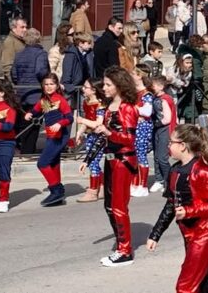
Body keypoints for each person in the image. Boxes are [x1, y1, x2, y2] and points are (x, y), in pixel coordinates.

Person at [147, 124, 208, 292]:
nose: (168, 146)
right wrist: (155, 235)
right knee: (204, 283)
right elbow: (170, 205)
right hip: (189, 232)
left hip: (206, 233)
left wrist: (189, 211)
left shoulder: (205, 171)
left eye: (171, 142)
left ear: (182, 146)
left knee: (185, 286)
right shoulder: (174, 170)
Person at [94, 66, 138, 267]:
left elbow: (129, 138)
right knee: (109, 206)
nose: (104, 87)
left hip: (123, 161)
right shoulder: (111, 105)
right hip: (110, 159)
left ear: (119, 85)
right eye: (104, 84)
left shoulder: (127, 108)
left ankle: (125, 251)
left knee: (119, 206)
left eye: (108, 84)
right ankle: (121, 244)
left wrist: (109, 133)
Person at [24, 73, 73, 207]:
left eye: (51, 84)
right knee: (53, 163)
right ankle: (58, 192)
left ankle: (56, 189)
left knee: (42, 163)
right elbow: (35, 110)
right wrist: (29, 114)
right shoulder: (44, 100)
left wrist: (60, 123)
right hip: (51, 135)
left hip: (59, 136)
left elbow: (69, 118)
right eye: (46, 84)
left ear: (57, 86)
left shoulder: (60, 100)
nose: (49, 87)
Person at [12, 28, 49, 154]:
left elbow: (14, 74)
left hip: (22, 94)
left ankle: (23, 149)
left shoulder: (19, 54)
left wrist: (21, 83)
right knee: (34, 124)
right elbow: (41, 71)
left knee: (24, 123)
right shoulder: (41, 53)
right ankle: (29, 152)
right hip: (36, 93)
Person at [75, 78, 107, 203]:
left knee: (92, 162)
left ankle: (93, 190)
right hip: (90, 136)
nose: (83, 89)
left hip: (100, 137)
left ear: (94, 90)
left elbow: (98, 123)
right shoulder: (87, 102)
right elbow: (87, 119)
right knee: (94, 163)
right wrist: (79, 132)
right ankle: (102, 186)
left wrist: (82, 121)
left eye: (86, 87)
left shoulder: (100, 104)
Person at [0, 79, 19, 213]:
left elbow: (8, 127)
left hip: (6, 143)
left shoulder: (10, 108)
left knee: (4, 171)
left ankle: (3, 199)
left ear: (2, 93)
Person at [131, 64, 155, 197]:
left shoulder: (146, 94)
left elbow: (147, 111)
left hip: (143, 127)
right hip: (134, 126)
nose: (131, 76)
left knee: (141, 156)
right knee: (134, 155)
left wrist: (133, 109)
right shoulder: (134, 92)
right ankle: (135, 183)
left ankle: (143, 185)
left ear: (140, 76)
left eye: (134, 74)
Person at [150, 75, 176, 193]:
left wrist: (156, 124)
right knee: (156, 157)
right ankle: (159, 179)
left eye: (153, 85)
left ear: (161, 86)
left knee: (162, 158)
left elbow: (167, 118)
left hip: (164, 129)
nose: (151, 87)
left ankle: (169, 180)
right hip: (157, 129)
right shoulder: (155, 98)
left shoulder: (165, 99)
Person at [61, 32, 94, 97]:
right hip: (73, 88)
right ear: (80, 44)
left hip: (83, 88)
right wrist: (69, 87)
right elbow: (67, 72)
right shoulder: (71, 55)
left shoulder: (88, 54)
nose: (90, 46)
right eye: (88, 43)